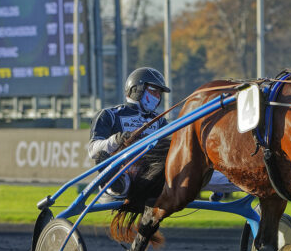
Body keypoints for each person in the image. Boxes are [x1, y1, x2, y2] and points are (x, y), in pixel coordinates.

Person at [87, 66, 238, 201]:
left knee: (193, 167)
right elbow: (93, 151)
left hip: (156, 176)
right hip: (124, 172)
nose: (158, 97)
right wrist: (117, 139)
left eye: (160, 93)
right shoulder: (109, 115)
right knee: (106, 161)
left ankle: (245, 182)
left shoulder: (159, 122)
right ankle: (119, 184)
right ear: (137, 89)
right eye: (154, 91)